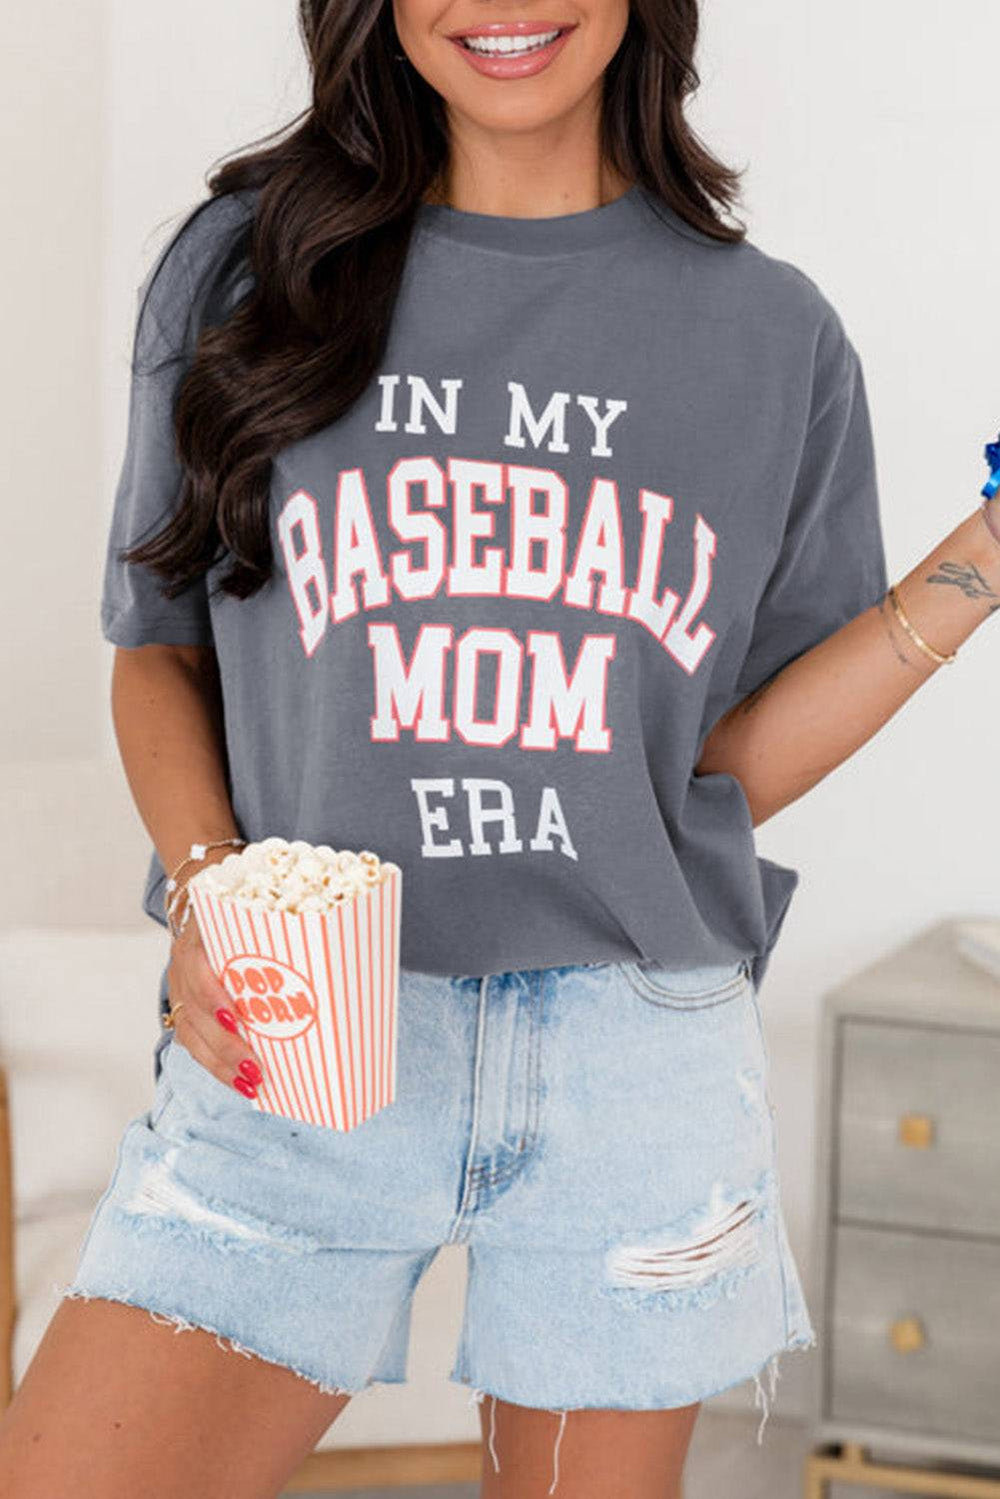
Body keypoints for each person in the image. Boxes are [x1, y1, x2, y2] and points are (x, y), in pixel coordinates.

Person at [2, 0, 998, 1494]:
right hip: (301, 1023)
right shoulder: (242, 271)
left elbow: (721, 763)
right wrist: (210, 884)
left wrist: (984, 556)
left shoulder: (773, 336)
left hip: (629, 1047)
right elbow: (156, 646)